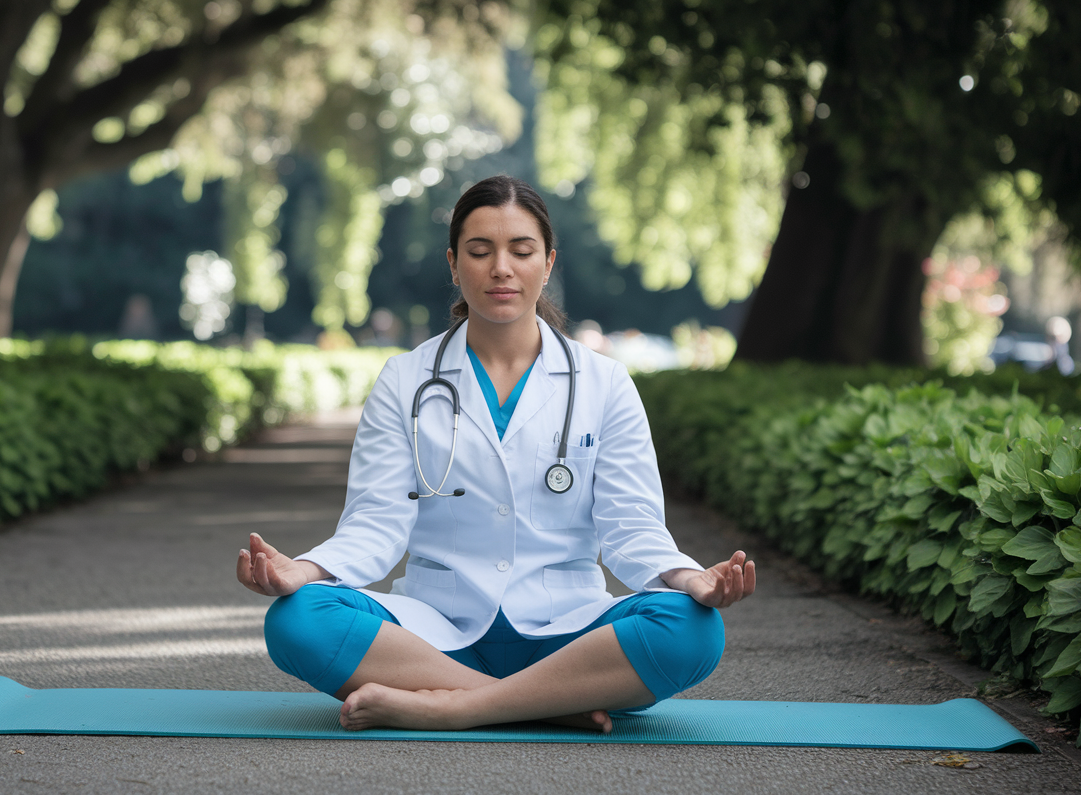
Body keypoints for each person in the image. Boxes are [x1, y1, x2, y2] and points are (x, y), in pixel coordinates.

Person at [236, 175, 756, 733]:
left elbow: (630, 525)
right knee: (297, 619)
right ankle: (551, 705)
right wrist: (305, 569)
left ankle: (450, 707)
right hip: (435, 634)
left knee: (693, 628)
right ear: (455, 265)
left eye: (521, 251)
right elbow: (376, 522)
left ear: (548, 263)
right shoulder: (405, 379)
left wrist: (686, 577)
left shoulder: (604, 382)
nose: (500, 268)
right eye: (479, 251)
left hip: (569, 634)